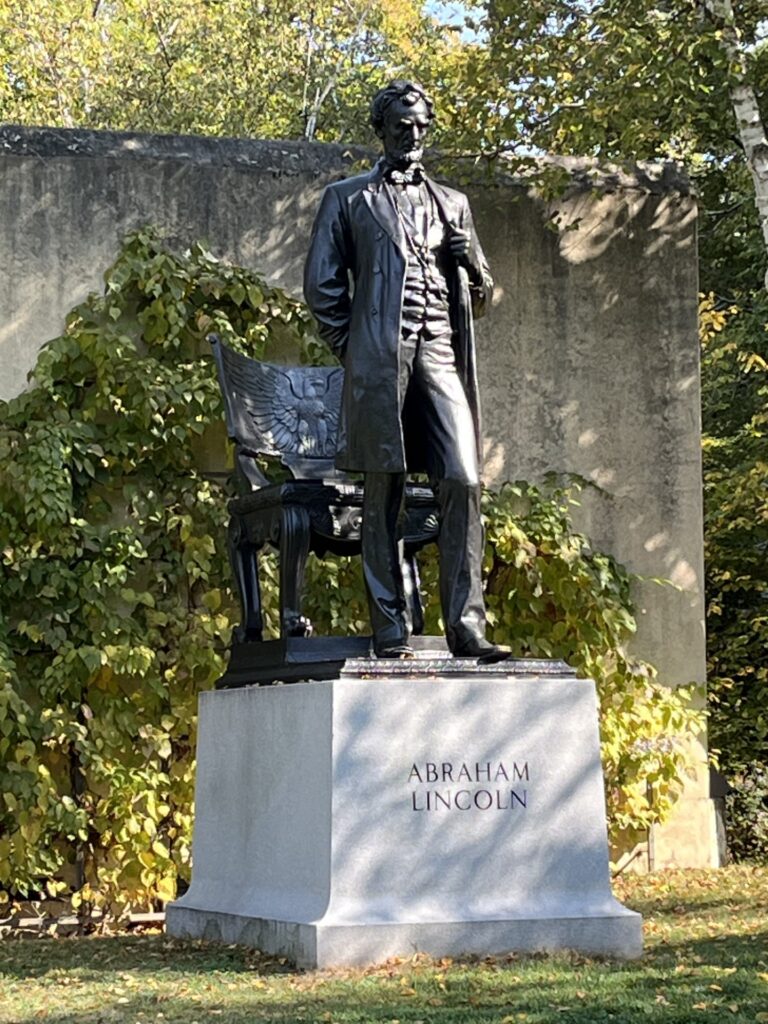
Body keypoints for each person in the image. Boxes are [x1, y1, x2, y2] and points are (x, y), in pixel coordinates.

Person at [304, 79, 508, 663]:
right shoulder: (348, 198)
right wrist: (360, 349)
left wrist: (474, 265)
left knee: (463, 479)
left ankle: (467, 627)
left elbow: (484, 297)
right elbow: (322, 288)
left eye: (421, 126)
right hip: (381, 361)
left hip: (440, 351)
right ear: (382, 128)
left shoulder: (454, 203)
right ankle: (389, 625)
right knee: (384, 488)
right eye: (402, 126)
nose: (413, 135)